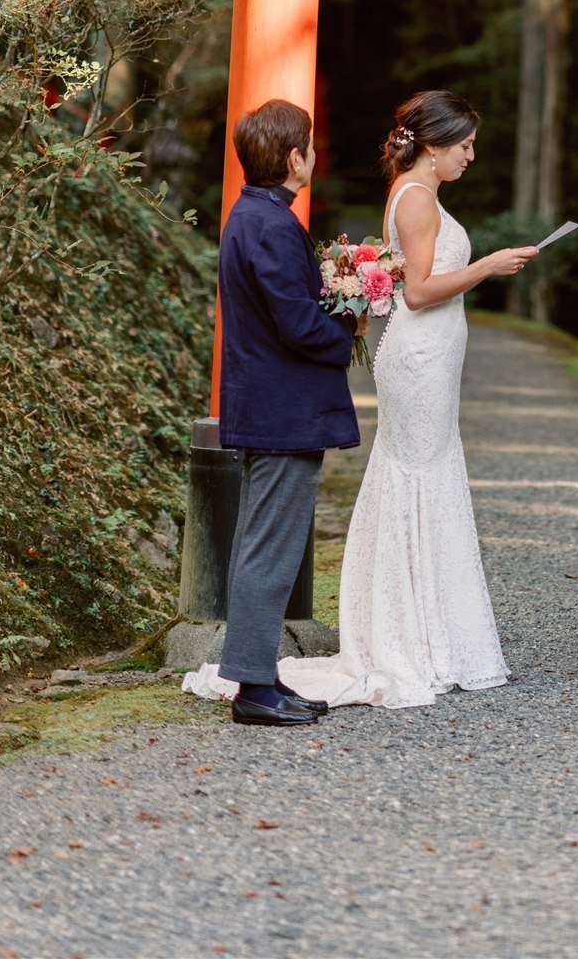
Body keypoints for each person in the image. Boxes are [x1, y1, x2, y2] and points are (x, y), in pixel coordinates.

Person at [273, 89, 539, 708]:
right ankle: (409, 638)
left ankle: (425, 629)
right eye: (465, 146)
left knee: (424, 477)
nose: (471, 156)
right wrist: (489, 265)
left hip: (429, 358)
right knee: (418, 479)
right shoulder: (417, 199)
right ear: (436, 144)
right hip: (418, 357)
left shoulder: (418, 194)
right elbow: (418, 292)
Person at [187, 98, 362, 727]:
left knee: (264, 545)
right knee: (269, 547)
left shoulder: (249, 216)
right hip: (282, 407)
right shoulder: (273, 225)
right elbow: (295, 323)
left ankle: (261, 680)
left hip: (266, 402)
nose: (314, 156)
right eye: (310, 147)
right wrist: (349, 322)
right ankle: (255, 690)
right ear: (295, 158)